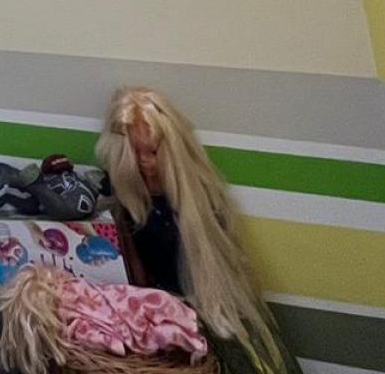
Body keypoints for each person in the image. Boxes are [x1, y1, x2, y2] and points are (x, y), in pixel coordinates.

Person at [97, 87, 297, 374]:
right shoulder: (129, 203)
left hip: (203, 305)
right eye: (135, 153)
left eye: (152, 152)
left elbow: (214, 266)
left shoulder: (196, 199)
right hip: (158, 307)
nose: (145, 162)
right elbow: (135, 267)